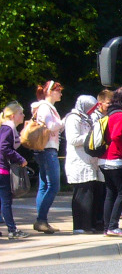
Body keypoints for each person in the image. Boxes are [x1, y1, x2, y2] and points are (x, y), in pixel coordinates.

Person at [64, 95, 104, 233]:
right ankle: (80, 226)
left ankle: (90, 224)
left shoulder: (86, 118)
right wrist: (91, 136)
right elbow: (73, 139)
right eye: (91, 108)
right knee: (82, 194)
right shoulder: (73, 118)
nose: (93, 111)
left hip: (88, 161)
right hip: (78, 161)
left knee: (90, 194)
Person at [99, 87, 122, 237]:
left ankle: (107, 226)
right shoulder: (121, 115)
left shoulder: (111, 113)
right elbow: (117, 136)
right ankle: (113, 226)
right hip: (115, 159)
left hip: (104, 158)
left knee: (111, 192)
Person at [31, 80, 65, 234]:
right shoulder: (45, 108)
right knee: (53, 186)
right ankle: (41, 220)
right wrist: (64, 121)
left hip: (42, 149)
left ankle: (42, 220)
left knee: (44, 185)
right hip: (47, 149)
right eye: (58, 91)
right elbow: (51, 126)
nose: (61, 93)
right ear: (50, 92)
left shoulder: (43, 107)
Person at [0, 102, 30, 240]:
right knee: (6, 201)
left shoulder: (7, 127)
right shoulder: (8, 128)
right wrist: (19, 158)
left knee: (3, 201)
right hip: (2, 169)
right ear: (12, 116)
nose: (23, 115)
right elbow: (4, 147)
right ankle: (12, 230)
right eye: (20, 113)